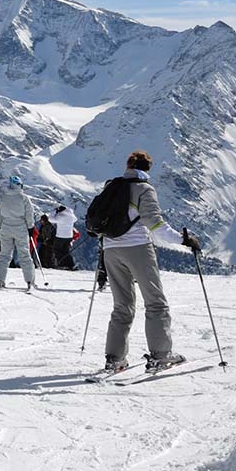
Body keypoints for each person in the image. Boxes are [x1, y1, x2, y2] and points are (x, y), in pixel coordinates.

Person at [101, 150, 200, 373]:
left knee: (121, 306)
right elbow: (155, 224)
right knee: (155, 302)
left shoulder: (111, 186)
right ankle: (161, 355)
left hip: (110, 248)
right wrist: (183, 240)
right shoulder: (144, 189)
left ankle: (114, 359)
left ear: (128, 167)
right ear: (148, 169)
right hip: (136, 248)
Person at [0, 175, 36, 290]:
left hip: (6, 228)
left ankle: (0, 280)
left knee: (4, 255)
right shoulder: (23, 198)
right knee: (25, 255)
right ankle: (29, 281)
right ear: (20, 185)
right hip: (21, 229)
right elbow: (29, 214)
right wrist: (31, 227)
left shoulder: (2, 197)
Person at [53, 205, 78, 270]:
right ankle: (71, 264)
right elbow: (76, 219)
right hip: (69, 236)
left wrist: (53, 212)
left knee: (57, 250)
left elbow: (51, 219)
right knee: (66, 251)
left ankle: (62, 264)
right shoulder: (71, 217)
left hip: (60, 236)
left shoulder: (60, 216)